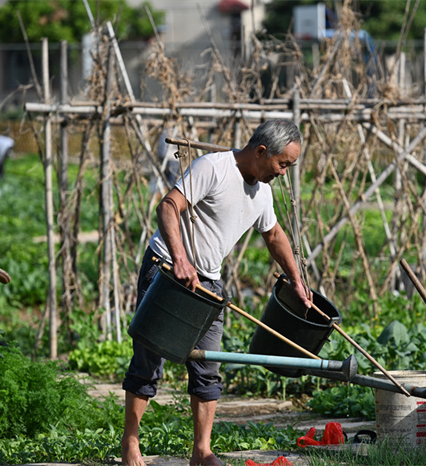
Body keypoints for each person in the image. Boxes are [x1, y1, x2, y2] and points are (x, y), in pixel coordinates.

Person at [121, 119, 312, 466]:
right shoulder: (213, 167)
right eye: (283, 164)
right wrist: (180, 258)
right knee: (149, 359)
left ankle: (202, 451)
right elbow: (168, 206)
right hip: (166, 269)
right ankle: (131, 443)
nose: (284, 173)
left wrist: (296, 280)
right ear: (261, 151)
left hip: (208, 283)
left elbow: (274, 236)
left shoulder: (262, 193)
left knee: (207, 366)